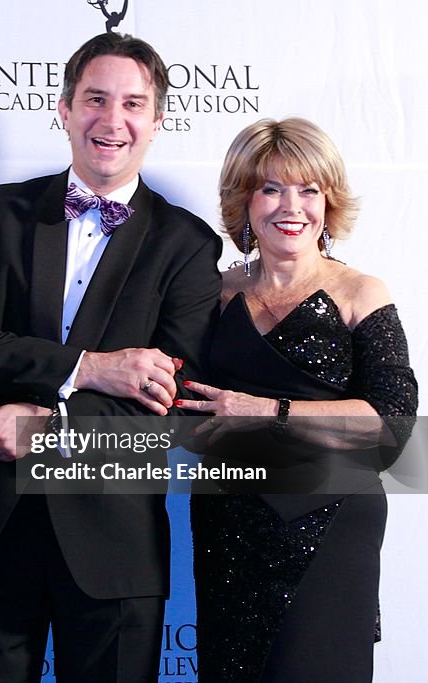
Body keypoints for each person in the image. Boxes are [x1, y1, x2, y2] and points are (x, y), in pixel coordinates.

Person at [0, 32, 223, 682]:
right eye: (96, 99)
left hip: (114, 539)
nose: (113, 119)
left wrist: (43, 427)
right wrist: (90, 368)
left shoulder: (186, 245)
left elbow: (172, 408)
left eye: (133, 103)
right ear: (65, 108)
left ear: (158, 121)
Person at [178, 117, 418, 682]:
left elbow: (393, 423)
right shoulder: (213, 293)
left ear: (329, 202)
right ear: (244, 200)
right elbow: (182, 405)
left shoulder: (361, 292)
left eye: (309, 189)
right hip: (230, 520)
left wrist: (264, 410)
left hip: (332, 519)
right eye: (271, 188)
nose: (292, 206)